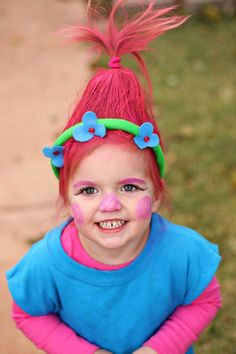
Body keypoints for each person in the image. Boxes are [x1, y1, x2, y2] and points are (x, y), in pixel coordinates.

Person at [6, 1, 222, 353]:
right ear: (67, 199)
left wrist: (158, 349)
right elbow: (29, 314)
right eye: (89, 189)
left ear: (155, 196)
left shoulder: (181, 253)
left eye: (129, 186)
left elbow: (203, 300)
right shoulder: (47, 263)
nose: (109, 204)